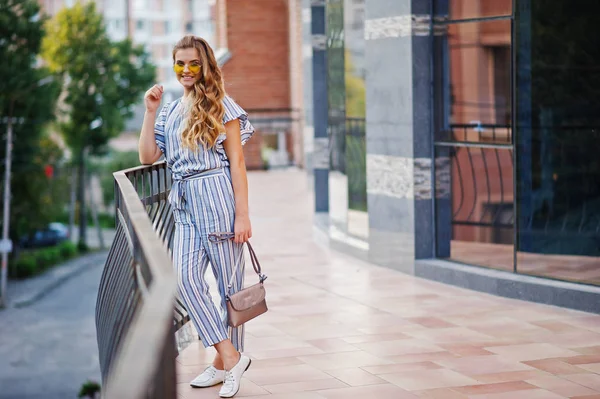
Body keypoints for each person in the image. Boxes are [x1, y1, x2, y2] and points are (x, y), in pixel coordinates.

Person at [138, 35, 254, 398]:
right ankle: (231, 355)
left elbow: (237, 162)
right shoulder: (170, 110)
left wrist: (242, 216)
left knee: (230, 290)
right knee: (185, 279)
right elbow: (146, 157)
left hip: (217, 197)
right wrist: (150, 110)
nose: (186, 70)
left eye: (193, 63)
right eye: (179, 63)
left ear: (205, 66)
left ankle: (223, 367)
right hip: (184, 200)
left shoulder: (223, 105)